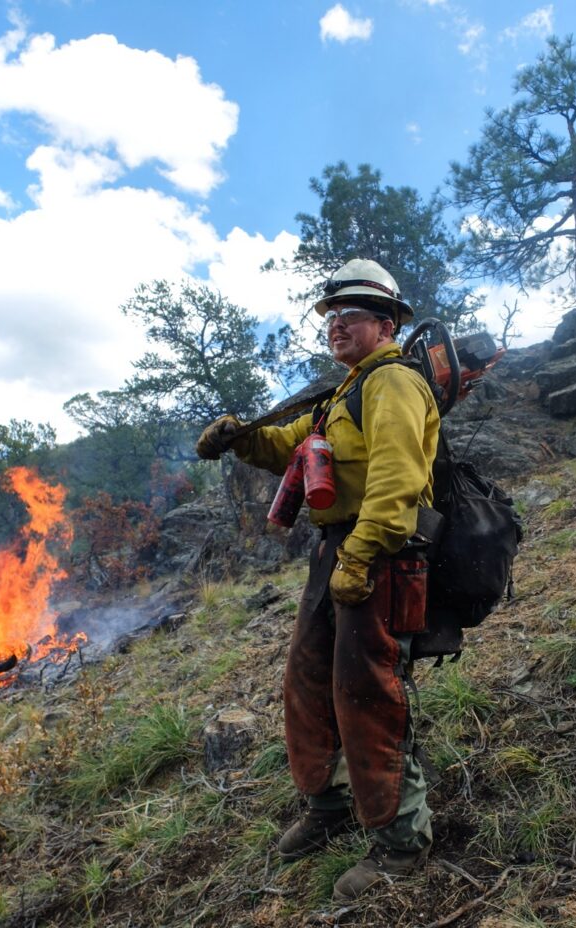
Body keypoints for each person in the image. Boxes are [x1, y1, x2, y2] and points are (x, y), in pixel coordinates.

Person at [196, 258, 440, 902]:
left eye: (350, 315)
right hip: (336, 552)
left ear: (385, 323)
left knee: (369, 693)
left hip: (381, 555)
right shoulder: (341, 395)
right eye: (332, 316)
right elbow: (290, 448)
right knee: (308, 680)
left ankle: (399, 843)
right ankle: (328, 804)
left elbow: (399, 482)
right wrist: (241, 440)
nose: (337, 325)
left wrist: (360, 557)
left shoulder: (394, 384)